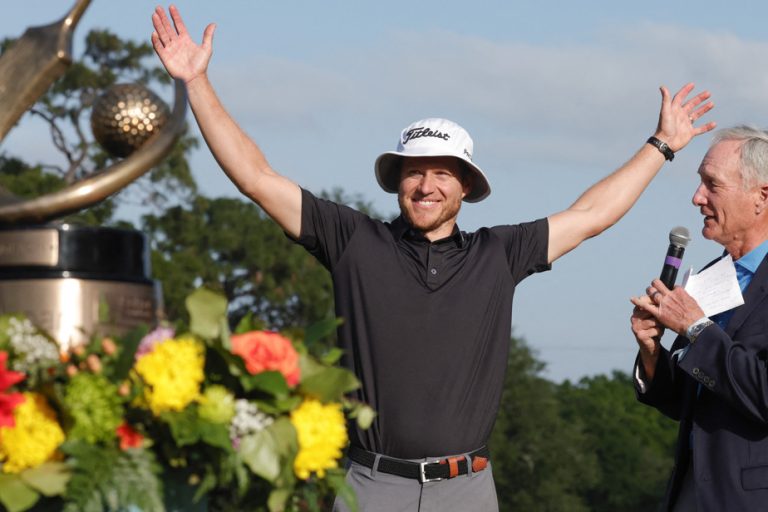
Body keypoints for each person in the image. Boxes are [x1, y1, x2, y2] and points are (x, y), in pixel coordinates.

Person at [151, 5, 715, 511]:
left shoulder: (499, 254)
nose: (426, 185)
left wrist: (660, 145)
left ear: (466, 186)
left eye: (442, 172)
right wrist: (197, 81)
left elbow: (592, 214)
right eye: (414, 171)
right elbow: (256, 178)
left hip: (468, 486)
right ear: (397, 181)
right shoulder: (352, 239)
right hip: (369, 485)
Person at [631, 126, 768, 512]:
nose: (697, 198)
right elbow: (687, 402)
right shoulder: (713, 274)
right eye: (699, 183)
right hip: (691, 494)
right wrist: (652, 352)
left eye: (712, 185)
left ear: (762, 196)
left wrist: (695, 328)